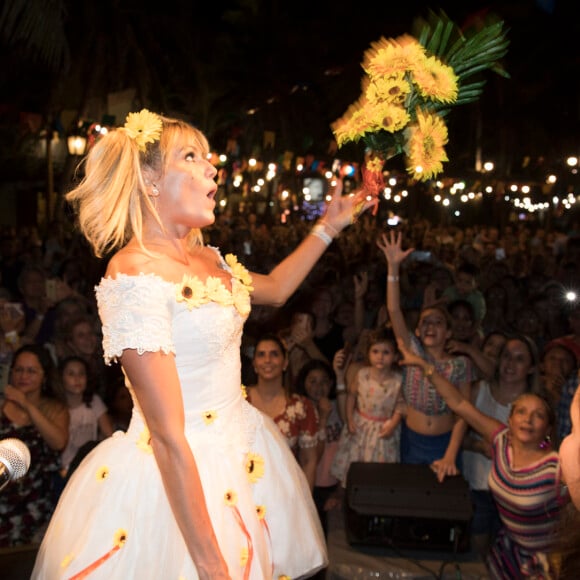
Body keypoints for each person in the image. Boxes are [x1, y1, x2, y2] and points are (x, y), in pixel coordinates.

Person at [32, 108, 376, 579]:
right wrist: (211, 564)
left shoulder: (209, 257)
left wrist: (330, 226)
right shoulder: (133, 273)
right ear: (149, 179)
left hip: (245, 456)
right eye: (190, 156)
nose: (212, 168)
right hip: (174, 477)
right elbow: (169, 436)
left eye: (208, 157)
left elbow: (274, 286)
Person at [397, 343, 568, 579]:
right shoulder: (501, 442)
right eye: (521, 412)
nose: (527, 419)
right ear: (510, 418)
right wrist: (425, 366)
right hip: (507, 553)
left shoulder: (557, 468)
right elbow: (459, 403)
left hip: (545, 564)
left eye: (537, 415)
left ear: (548, 429)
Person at [377, 231, 476, 481]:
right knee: (412, 504)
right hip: (411, 441)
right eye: (425, 322)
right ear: (418, 331)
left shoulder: (460, 364)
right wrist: (393, 268)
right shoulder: (412, 352)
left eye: (438, 322)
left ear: (449, 332)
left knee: (442, 512)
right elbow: (393, 309)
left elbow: (463, 413)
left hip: (444, 444)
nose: (431, 326)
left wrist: (451, 454)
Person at [461, 335, 541, 560]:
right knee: (475, 558)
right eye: (506, 356)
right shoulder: (479, 390)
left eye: (519, 359)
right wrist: (477, 446)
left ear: (531, 367)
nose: (510, 364)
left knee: (506, 560)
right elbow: (458, 436)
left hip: (514, 495)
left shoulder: (536, 405)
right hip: (477, 487)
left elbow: (545, 449)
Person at [0, 344, 69, 547]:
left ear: (44, 376)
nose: (23, 376)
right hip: (4, 499)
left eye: (31, 371)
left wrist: (26, 404)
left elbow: (58, 442)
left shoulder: (55, 409)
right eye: (19, 370)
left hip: (37, 503)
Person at [331, 327, 405, 488]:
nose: (380, 357)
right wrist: (350, 418)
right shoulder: (362, 374)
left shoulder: (397, 380)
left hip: (383, 430)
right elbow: (351, 396)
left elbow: (401, 405)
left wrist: (393, 423)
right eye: (375, 351)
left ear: (395, 356)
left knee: (379, 472)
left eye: (386, 352)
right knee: (356, 464)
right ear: (368, 353)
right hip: (361, 426)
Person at [246, 334, 320, 492]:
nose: (267, 360)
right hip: (243, 489)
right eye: (261, 355)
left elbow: (309, 461)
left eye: (274, 354)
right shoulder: (238, 401)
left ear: (285, 363)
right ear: (254, 364)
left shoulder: (301, 407)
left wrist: (304, 502)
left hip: (285, 491)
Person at [295, 357, 342, 538]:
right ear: (303, 383)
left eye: (324, 381)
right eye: (312, 381)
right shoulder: (300, 410)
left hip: (334, 483)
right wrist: (322, 418)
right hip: (310, 483)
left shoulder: (339, 408)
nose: (318, 386)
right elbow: (313, 455)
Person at [56, 356, 114, 490]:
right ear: (61, 378)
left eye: (81, 373)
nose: (77, 379)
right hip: (64, 471)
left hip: (91, 466)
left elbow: (109, 434)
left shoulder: (94, 402)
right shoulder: (57, 407)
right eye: (71, 374)